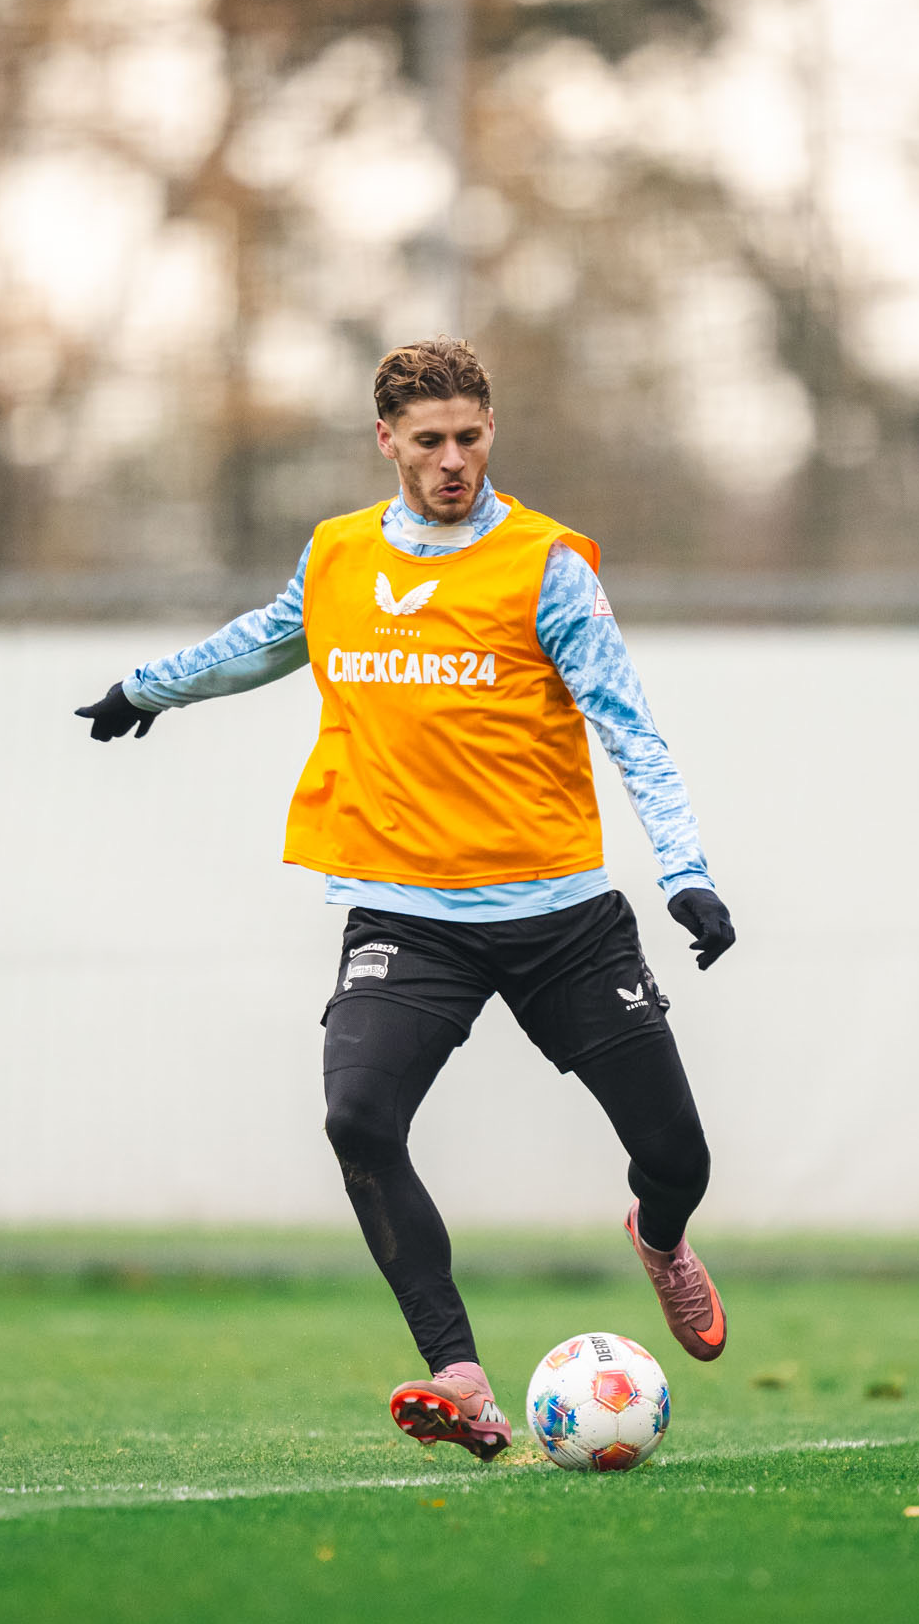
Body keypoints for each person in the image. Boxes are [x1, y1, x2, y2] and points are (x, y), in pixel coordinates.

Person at [74, 337, 738, 1461]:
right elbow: (268, 639)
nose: (451, 461)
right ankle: (460, 1374)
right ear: (385, 440)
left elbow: (629, 724)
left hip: (562, 920)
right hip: (405, 914)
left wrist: (687, 872)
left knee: (679, 1155)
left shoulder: (544, 565)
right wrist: (151, 687)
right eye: (427, 441)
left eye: (470, 437)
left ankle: (660, 1234)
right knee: (358, 1118)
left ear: (492, 432)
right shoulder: (339, 555)